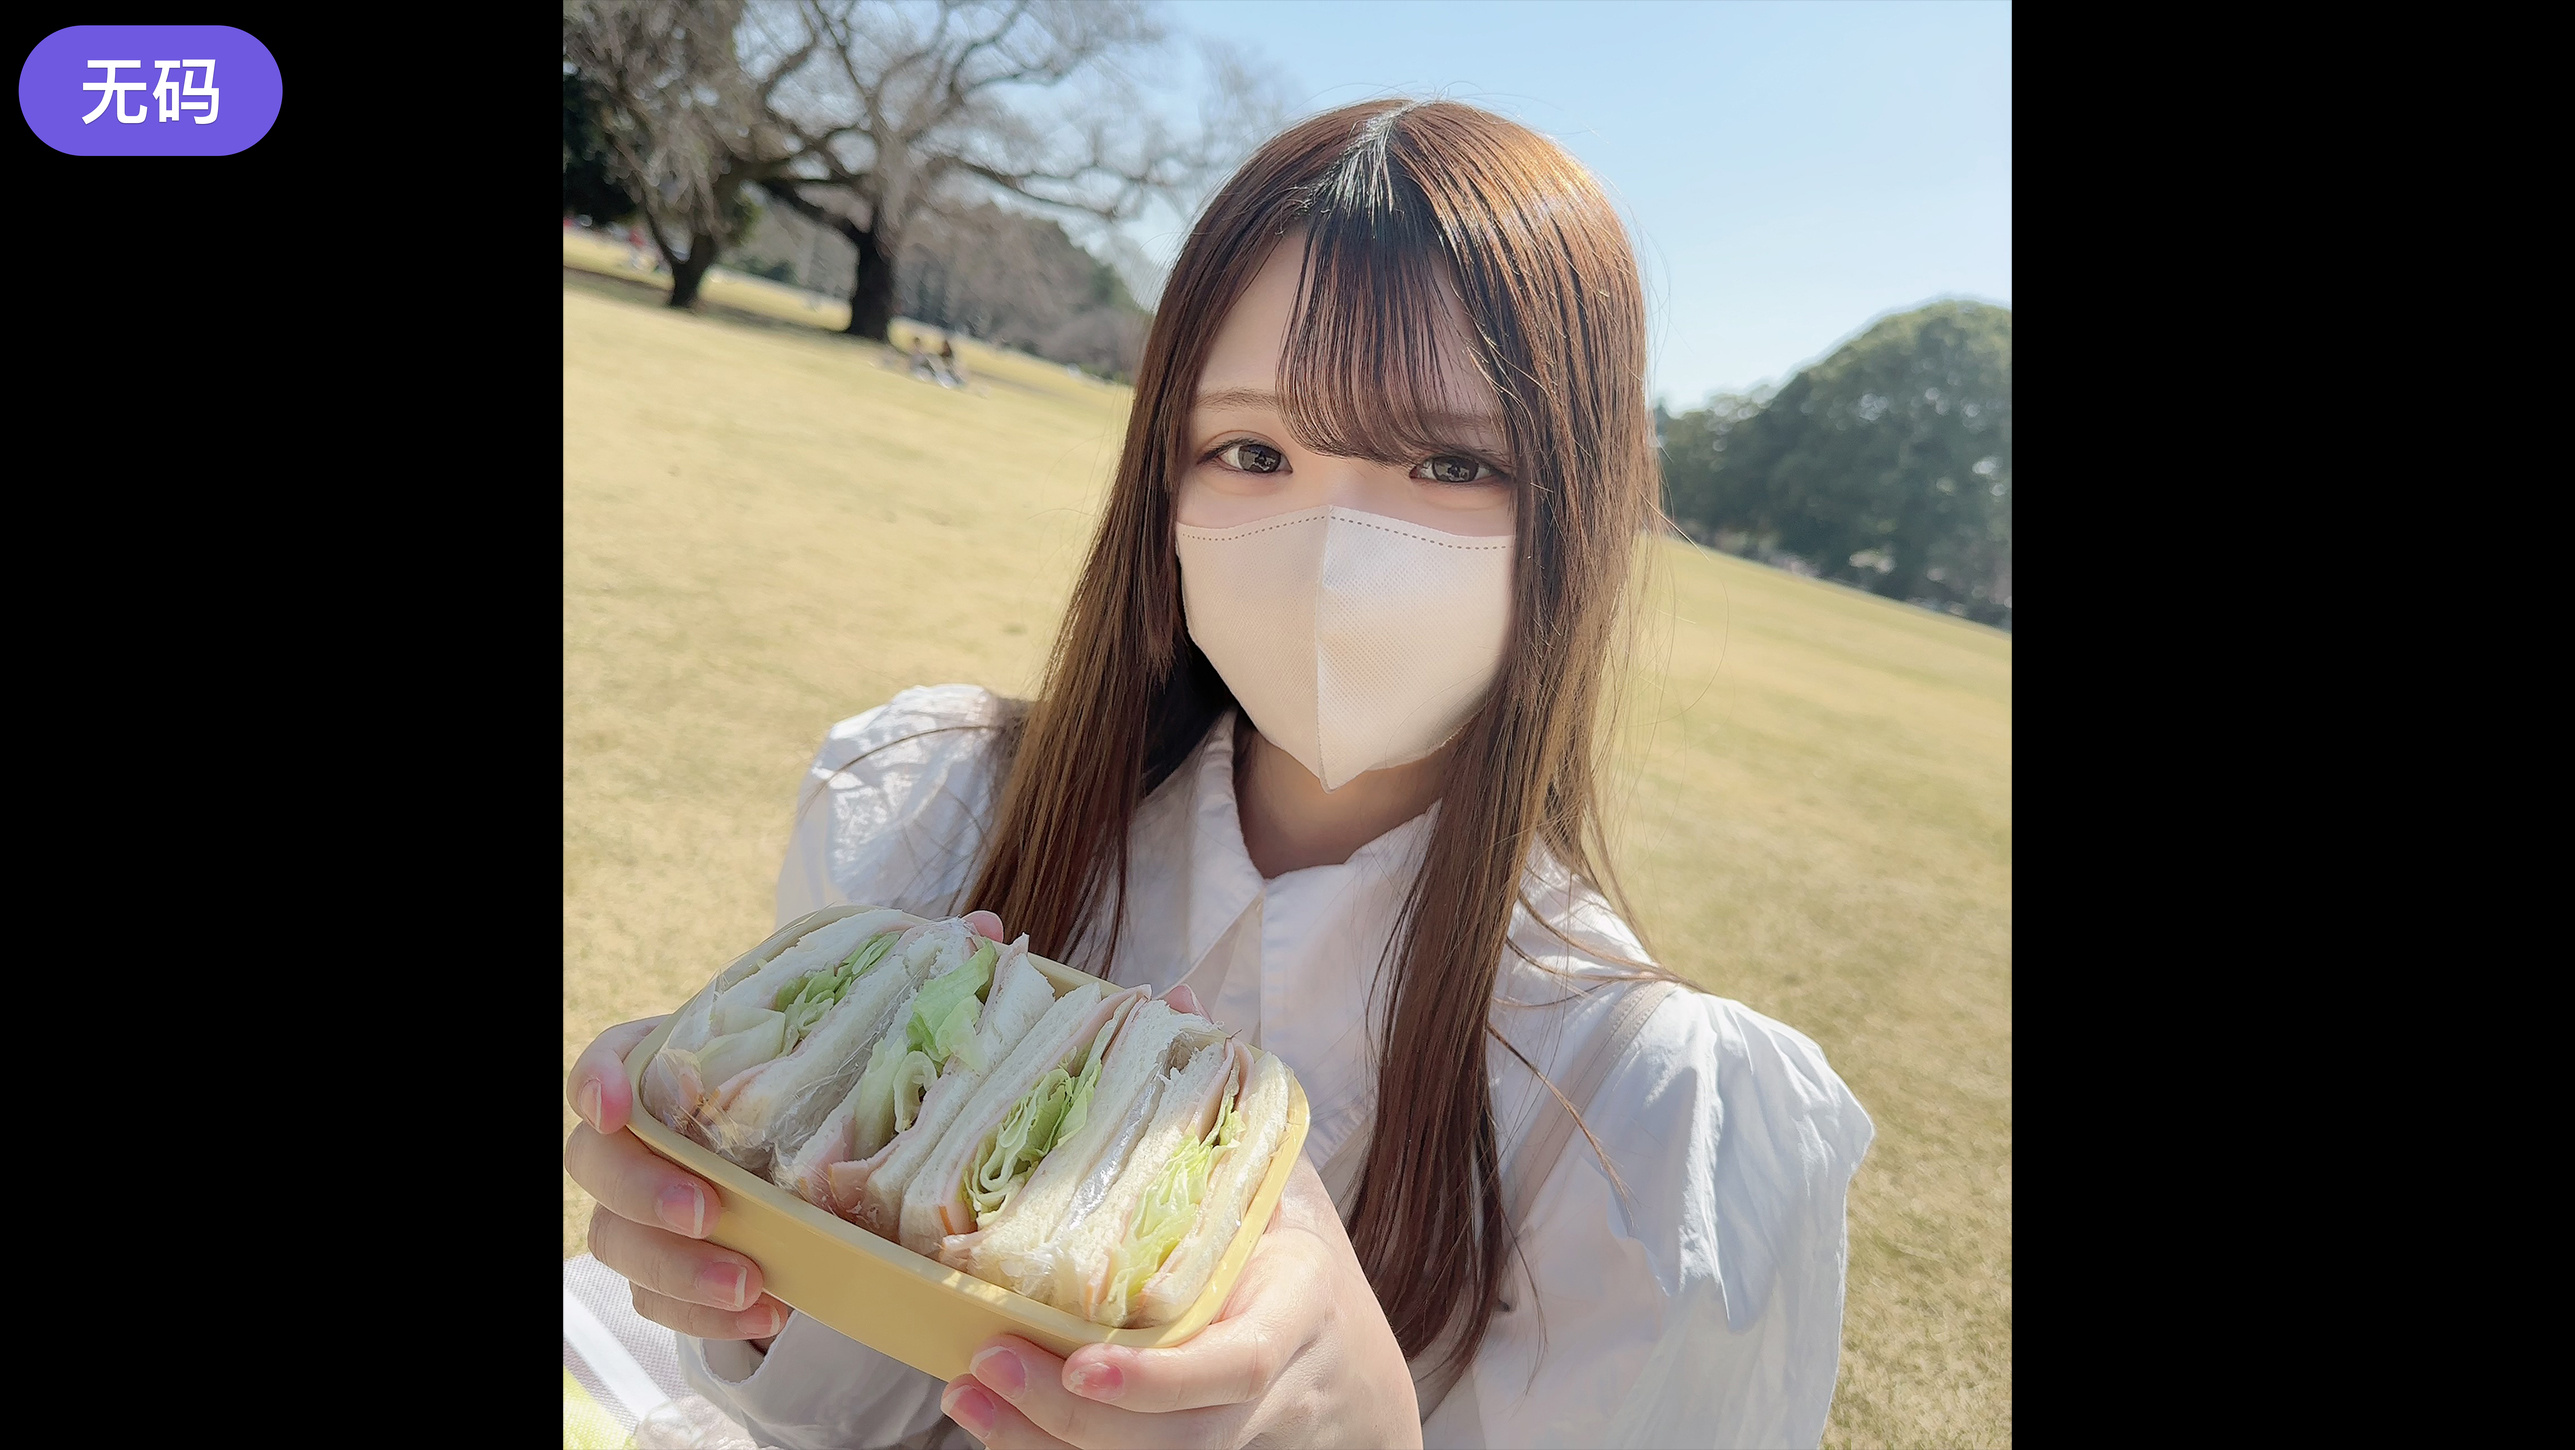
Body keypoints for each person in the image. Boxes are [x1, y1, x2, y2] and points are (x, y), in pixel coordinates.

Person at [564, 99, 1873, 1450]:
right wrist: (746, 1263)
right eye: (1253, 451)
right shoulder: (937, 810)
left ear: (1580, 509)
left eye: (1450, 463)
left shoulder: (1644, 1122)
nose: (1336, 548)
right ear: (1164, 478)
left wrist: (1368, 1432)